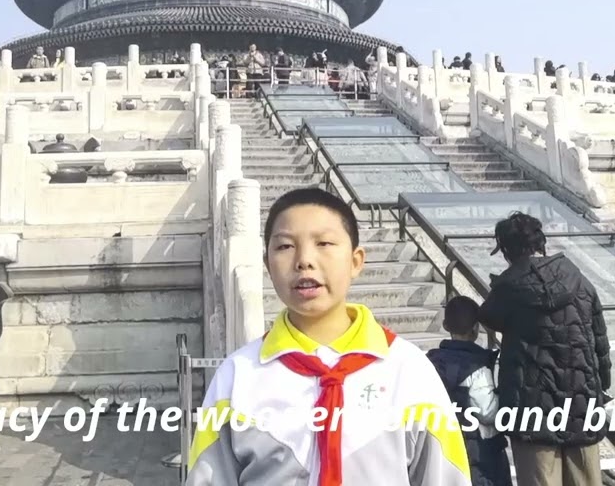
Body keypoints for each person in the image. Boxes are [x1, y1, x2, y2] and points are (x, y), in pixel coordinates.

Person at [185, 187, 471, 485]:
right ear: (267, 264)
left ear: (356, 261)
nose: (304, 260)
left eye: (324, 243)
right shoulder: (238, 376)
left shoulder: (409, 370)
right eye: (284, 247)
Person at [477, 212, 610, 486]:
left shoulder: (509, 289)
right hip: (582, 405)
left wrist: (509, 274)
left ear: (506, 251)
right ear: (541, 242)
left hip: (530, 410)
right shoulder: (579, 280)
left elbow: (488, 315)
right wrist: (600, 387)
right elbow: (600, 340)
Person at [426, 296, 512, 486]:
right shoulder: (477, 367)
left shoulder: (430, 363)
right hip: (481, 454)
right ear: (476, 329)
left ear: (445, 326)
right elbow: (489, 412)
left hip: (446, 446)